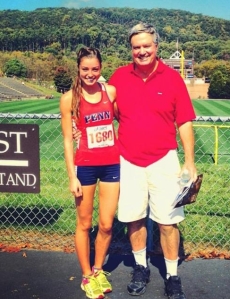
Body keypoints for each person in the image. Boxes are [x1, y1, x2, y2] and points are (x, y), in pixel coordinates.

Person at [108, 23, 197, 299]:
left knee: (167, 222)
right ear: (131, 49)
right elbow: (103, 114)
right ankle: (140, 267)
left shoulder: (172, 79)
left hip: (164, 160)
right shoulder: (119, 78)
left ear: (156, 47)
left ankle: (172, 275)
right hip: (129, 160)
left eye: (147, 46)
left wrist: (189, 162)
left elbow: (184, 122)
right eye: (137, 47)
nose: (142, 51)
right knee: (133, 219)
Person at [60, 47, 120, 299]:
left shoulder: (111, 92)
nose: (90, 73)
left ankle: (98, 270)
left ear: (101, 68)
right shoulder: (69, 98)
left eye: (95, 69)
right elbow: (66, 140)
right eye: (85, 69)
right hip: (84, 165)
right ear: (78, 69)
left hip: (111, 164)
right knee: (84, 223)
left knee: (106, 224)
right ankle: (86, 275)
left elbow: (118, 118)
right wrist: (71, 176)